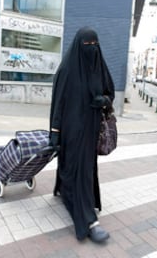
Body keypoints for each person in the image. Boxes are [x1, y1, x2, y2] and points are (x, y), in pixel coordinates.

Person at [49, 27, 115, 243]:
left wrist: (103, 101)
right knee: (75, 169)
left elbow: (110, 92)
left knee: (84, 170)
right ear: (79, 46)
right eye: (87, 45)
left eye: (95, 44)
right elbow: (58, 105)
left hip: (91, 131)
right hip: (70, 131)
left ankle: (70, 197)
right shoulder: (67, 70)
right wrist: (55, 134)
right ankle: (88, 221)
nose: (92, 49)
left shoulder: (99, 68)